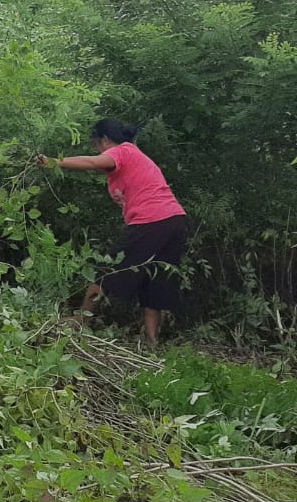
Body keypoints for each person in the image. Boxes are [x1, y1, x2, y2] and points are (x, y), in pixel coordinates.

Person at [36, 118, 188, 344]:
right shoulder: (135, 157)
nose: (97, 150)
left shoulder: (123, 151)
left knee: (108, 270)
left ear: (104, 139)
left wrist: (54, 162)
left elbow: (94, 162)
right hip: (175, 221)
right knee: (154, 280)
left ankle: (80, 321)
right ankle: (152, 341)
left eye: (96, 144)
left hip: (153, 220)